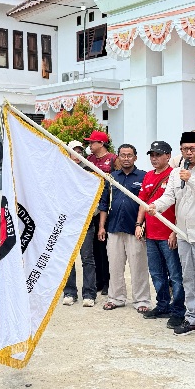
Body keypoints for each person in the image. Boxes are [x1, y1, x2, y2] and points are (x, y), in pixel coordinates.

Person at [148, 131, 195, 345]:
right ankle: (193, 318)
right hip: (183, 234)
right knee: (188, 278)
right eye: (185, 149)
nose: (189, 153)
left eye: (193, 149)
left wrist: (192, 181)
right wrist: (157, 206)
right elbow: (169, 197)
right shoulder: (175, 173)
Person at [136, 141, 186, 329]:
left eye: (158, 155)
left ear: (168, 156)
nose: (154, 158)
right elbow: (142, 201)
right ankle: (163, 305)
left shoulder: (174, 175)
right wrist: (139, 224)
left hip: (168, 234)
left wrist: (175, 230)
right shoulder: (148, 175)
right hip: (152, 234)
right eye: (152, 155)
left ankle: (178, 310)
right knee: (157, 274)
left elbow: (180, 204)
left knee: (175, 274)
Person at [98, 144, 150, 312]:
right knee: (114, 266)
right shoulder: (111, 177)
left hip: (135, 230)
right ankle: (116, 298)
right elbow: (104, 204)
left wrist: (141, 225)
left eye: (129, 155)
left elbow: (147, 204)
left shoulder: (144, 176)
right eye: (123, 155)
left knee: (139, 267)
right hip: (113, 228)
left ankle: (142, 300)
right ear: (118, 157)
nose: (126, 158)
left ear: (135, 157)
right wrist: (101, 227)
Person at [62, 140, 97, 307]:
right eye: (73, 151)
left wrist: (91, 213)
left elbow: (96, 198)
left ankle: (89, 294)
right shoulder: (63, 172)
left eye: (79, 151)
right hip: (68, 224)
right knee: (68, 259)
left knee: (87, 259)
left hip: (86, 224)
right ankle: (69, 293)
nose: (76, 154)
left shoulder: (90, 172)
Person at [85, 130, 115, 295]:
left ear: (101, 143)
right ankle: (97, 281)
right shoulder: (89, 159)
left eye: (92, 142)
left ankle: (107, 282)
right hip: (92, 208)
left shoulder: (112, 159)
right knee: (94, 246)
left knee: (105, 247)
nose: (90, 145)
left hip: (107, 207)